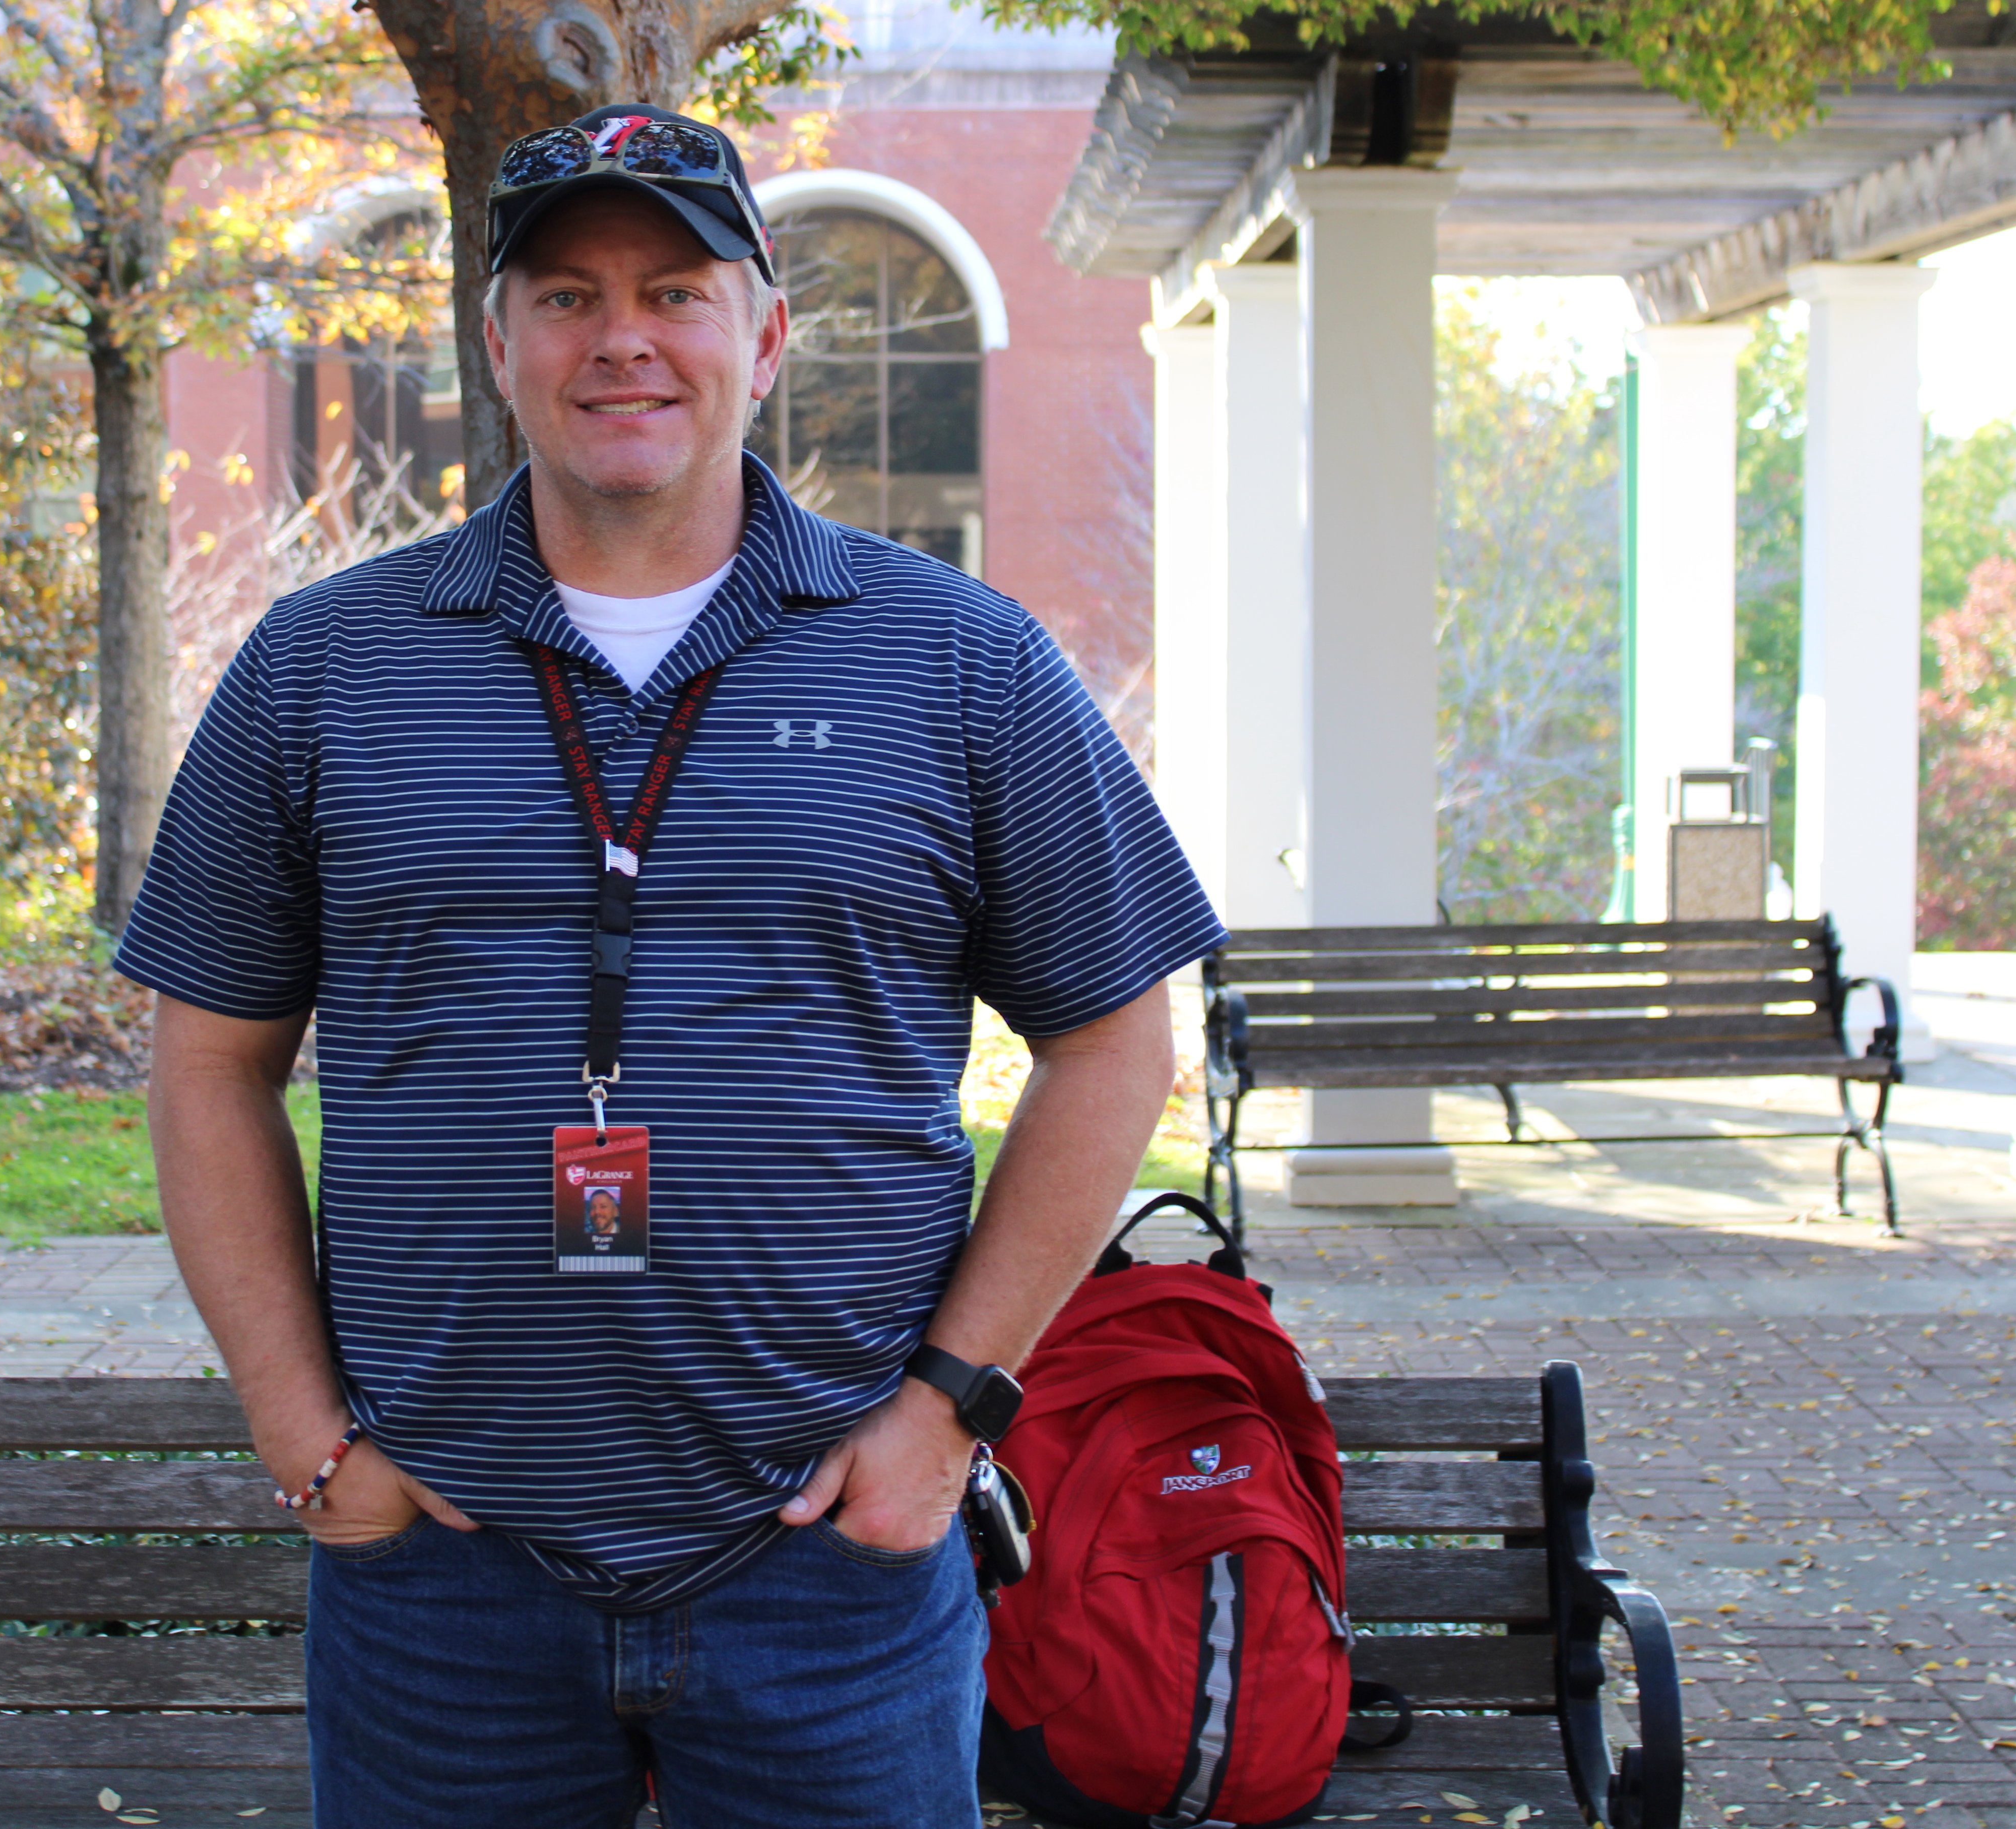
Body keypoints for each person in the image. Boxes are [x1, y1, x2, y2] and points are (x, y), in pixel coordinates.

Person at [118, 103, 1224, 1829]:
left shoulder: (958, 661)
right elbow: (207, 1062)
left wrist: (947, 1412)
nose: (622, 337)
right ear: (497, 347)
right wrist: (300, 1429)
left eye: (678, 290)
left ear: (765, 337)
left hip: (829, 1562)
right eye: (564, 295)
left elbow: (1114, 1042)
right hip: (441, 1572)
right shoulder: (324, 665)